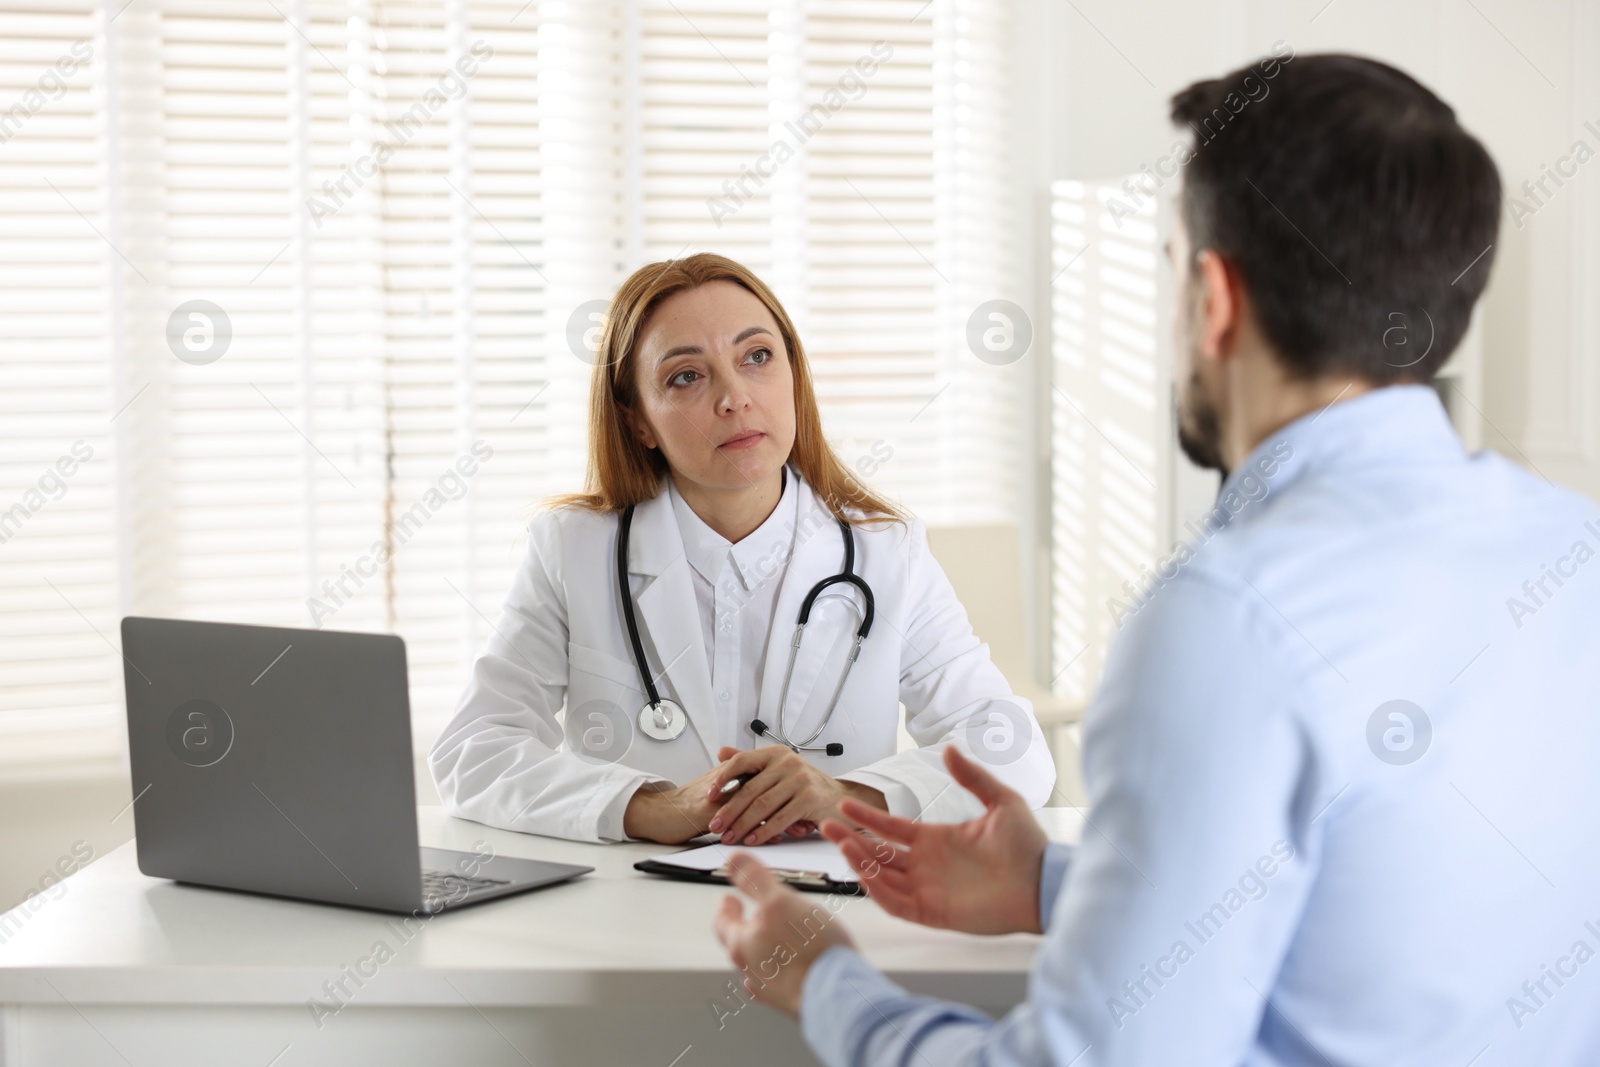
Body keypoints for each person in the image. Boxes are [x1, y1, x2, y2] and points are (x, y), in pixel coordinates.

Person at [712, 53, 1600, 1065]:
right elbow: (1382, 906)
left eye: (1169, 261)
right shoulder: (1570, 549)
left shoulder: (1226, 615)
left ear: (1213, 296)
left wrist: (824, 977)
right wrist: (1051, 884)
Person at [430, 253, 1055, 845]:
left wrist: (845, 797)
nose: (734, 397)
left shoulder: (887, 555)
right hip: (631, 911)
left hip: (825, 911)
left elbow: (1013, 748)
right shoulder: (574, 550)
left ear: (794, 375)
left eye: (757, 356)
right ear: (638, 420)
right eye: (686, 376)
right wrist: (650, 807)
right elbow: (475, 750)